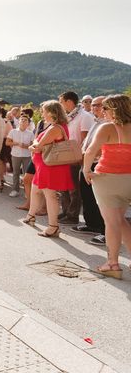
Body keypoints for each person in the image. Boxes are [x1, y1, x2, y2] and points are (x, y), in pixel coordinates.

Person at [83, 94, 131, 278]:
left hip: (107, 179)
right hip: (128, 179)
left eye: (105, 108)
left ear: (114, 109)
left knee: (111, 223)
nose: (103, 111)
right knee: (121, 220)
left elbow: (90, 151)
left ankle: (112, 264)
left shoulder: (107, 128)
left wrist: (87, 170)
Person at [21, 100, 74, 238]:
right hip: (44, 165)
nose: (42, 113)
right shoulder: (56, 126)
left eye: (43, 111)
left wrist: (33, 146)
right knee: (36, 190)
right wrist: (35, 145)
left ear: (51, 112)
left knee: (50, 195)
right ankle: (31, 216)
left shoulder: (55, 128)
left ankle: (53, 226)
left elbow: (38, 145)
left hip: (49, 166)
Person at [72, 96, 107, 243]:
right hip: (87, 162)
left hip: (99, 164)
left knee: (100, 199)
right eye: (93, 105)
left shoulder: (108, 123)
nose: (94, 108)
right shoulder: (95, 121)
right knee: (87, 196)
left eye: (98, 105)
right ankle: (91, 224)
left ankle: (104, 231)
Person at [58, 91, 95, 225]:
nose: (60, 105)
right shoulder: (68, 116)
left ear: (69, 101)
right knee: (64, 186)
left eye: (61, 102)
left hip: (76, 156)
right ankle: (66, 211)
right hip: (65, 156)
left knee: (74, 188)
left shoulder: (84, 116)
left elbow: (85, 139)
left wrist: (78, 156)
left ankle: (73, 215)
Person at [6, 115, 34, 197]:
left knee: (27, 174)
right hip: (15, 155)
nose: (23, 121)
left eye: (25, 120)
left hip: (27, 155)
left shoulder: (30, 133)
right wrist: (17, 143)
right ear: (19, 122)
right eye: (22, 120)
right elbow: (7, 143)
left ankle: (27, 191)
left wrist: (25, 146)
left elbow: (32, 145)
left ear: (28, 123)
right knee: (16, 173)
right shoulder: (13, 131)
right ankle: (15, 190)